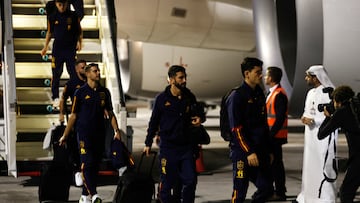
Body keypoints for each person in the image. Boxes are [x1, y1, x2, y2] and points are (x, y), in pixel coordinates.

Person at [59, 63, 121, 203]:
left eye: (98, 70)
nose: (98, 73)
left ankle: (85, 195)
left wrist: (116, 131)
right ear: (88, 74)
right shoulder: (80, 93)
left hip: (99, 133)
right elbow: (74, 115)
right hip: (83, 134)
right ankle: (93, 194)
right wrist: (65, 135)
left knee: (94, 165)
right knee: (86, 163)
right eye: (95, 71)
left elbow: (110, 113)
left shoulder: (104, 92)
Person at [143, 65, 201, 203]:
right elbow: (153, 122)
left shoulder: (189, 96)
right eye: (181, 78)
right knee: (167, 183)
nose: (184, 80)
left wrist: (199, 119)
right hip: (168, 148)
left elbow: (198, 113)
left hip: (186, 147)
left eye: (185, 77)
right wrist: (148, 142)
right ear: (171, 80)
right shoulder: (161, 99)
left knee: (190, 180)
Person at [226, 57, 273, 203]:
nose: (261, 75)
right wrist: (249, 151)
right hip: (242, 151)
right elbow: (236, 128)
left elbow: (263, 125)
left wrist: (268, 149)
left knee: (266, 188)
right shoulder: (237, 96)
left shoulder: (259, 94)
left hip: (259, 150)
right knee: (240, 190)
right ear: (247, 74)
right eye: (257, 72)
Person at [295, 65, 338, 203]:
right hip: (310, 136)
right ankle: (309, 194)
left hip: (323, 137)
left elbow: (332, 116)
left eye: (308, 76)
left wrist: (314, 120)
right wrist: (304, 117)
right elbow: (307, 111)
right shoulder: (311, 93)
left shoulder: (329, 93)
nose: (306, 78)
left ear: (316, 77)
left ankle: (325, 197)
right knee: (310, 165)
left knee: (323, 165)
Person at [318, 85, 360, 203]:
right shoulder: (356, 107)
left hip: (358, 160)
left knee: (346, 193)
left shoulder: (342, 112)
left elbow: (321, 134)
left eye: (334, 101)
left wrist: (328, 117)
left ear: (338, 101)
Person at [40, 0, 83, 108]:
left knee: (73, 73)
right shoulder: (52, 17)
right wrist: (45, 46)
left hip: (70, 48)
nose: (62, 7)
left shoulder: (73, 16)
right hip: (58, 49)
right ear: (56, 4)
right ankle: (55, 97)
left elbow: (79, 30)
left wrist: (80, 42)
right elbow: (49, 32)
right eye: (59, 4)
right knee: (56, 73)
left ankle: (74, 96)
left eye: (63, 4)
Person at [264, 66, 288, 201]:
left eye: (267, 75)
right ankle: (275, 190)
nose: (265, 77)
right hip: (271, 135)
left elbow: (279, 118)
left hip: (275, 136)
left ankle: (280, 192)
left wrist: (270, 135)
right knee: (273, 164)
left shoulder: (279, 94)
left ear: (272, 78)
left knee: (276, 165)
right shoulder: (271, 93)